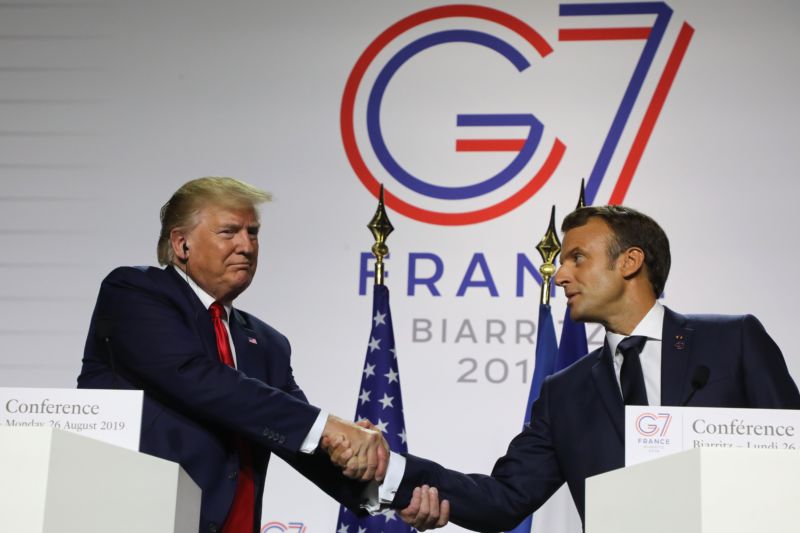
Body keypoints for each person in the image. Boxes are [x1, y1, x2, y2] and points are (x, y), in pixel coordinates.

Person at [384, 205, 800, 531]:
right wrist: (396, 472)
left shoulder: (732, 342)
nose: (560, 274)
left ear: (630, 261)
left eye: (577, 258)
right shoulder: (564, 391)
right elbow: (504, 498)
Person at [78, 177, 394, 533]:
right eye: (229, 232)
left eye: (253, 232)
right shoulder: (133, 293)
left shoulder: (268, 343)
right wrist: (329, 427)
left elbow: (298, 436)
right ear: (182, 244)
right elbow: (197, 378)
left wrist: (388, 484)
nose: (247, 246)